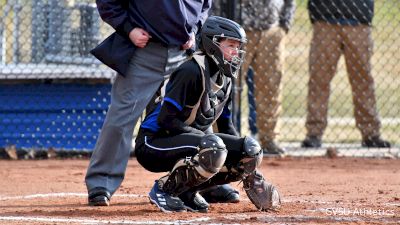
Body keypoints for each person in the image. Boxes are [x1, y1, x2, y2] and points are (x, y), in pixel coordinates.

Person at [134, 16, 281, 213]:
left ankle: (187, 192)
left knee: (249, 150)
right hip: (154, 142)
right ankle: (165, 190)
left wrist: (249, 169)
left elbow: (227, 127)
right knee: (214, 148)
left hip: (189, 140)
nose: (236, 52)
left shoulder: (225, 78)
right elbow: (166, 120)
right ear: (213, 45)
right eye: (231, 45)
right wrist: (207, 140)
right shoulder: (191, 71)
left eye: (238, 47)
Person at [85, 0, 213, 207]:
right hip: (145, 53)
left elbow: (205, 5)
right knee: (121, 118)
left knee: (194, 118)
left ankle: (204, 180)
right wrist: (129, 29)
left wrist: (194, 29)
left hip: (183, 54)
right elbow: (108, 3)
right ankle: (102, 182)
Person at [302, 0, 391, 148]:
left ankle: (370, 133)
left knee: (363, 80)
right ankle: (314, 133)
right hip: (325, 18)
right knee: (319, 80)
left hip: (358, 20)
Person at [239, 0, 296, 156]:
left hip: (272, 29)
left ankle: (269, 138)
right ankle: (225, 136)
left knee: (271, 87)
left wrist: (285, 23)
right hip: (238, 28)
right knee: (229, 86)